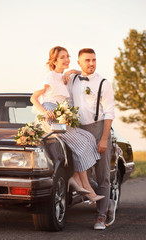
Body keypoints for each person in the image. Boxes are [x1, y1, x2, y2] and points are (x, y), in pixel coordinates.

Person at [30, 46, 104, 203]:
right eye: (62, 57)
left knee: (89, 138)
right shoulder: (50, 77)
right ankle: (87, 189)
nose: (66, 59)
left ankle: (76, 178)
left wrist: (73, 71)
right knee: (80, 143)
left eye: (67, 56)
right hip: (50, 117)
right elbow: (33, 98)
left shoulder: (63, 77)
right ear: (54, 60)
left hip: (61, 116)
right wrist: (44, 112)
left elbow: (79, 73)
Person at [67, 48, 116, 230]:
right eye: (87, 60)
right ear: (79, 62)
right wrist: (68, 72)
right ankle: (107, 201)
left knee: (102, 175)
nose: (91, 63)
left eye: (94, 60)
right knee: (82, 174)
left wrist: (104, 139)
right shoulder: (71, 79)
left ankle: (101, 216)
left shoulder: (104, 82)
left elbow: (109, 112)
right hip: (77, 130)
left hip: (98, 128)